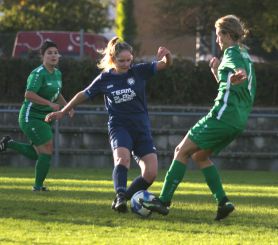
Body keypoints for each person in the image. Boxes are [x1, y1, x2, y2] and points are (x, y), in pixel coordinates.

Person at [140, 15, 256, 220]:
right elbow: (230, 83)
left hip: (222, 116)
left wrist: (234, 75)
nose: (217, 40)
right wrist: (217, 71)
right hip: (238, 120)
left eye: (219, 35)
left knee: (181, 150)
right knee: (200, 156)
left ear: (227, 35)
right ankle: (223, 202)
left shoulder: (232, 53)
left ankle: (164, 200)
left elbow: (236, 74)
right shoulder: (245, 55)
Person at [45, 36, 173, 212]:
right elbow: (83, 94)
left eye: (129, 60)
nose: (126, 64)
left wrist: (167, 56)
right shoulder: (104, 79)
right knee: (122, 159)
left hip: (141, 128)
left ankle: (124, 198)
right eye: (122, 61)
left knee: (151, 173)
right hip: (119, 127)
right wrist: (63, 111)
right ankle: (120, 197)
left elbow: (165, 64)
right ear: (113, 59)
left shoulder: (138, 71)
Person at [0, 40, 73, 191]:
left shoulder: (57, 73)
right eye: (49, 53)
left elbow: (57, 93)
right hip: (30, 117)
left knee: (37, 154)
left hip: (46, 118)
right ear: (43, 56)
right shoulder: (38, 73)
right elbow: (28, 94)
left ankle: (8, 143)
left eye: (55, 53)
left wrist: (67, 107)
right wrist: (49, 104)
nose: (53, 55)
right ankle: (37, 187)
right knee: (47, 149)